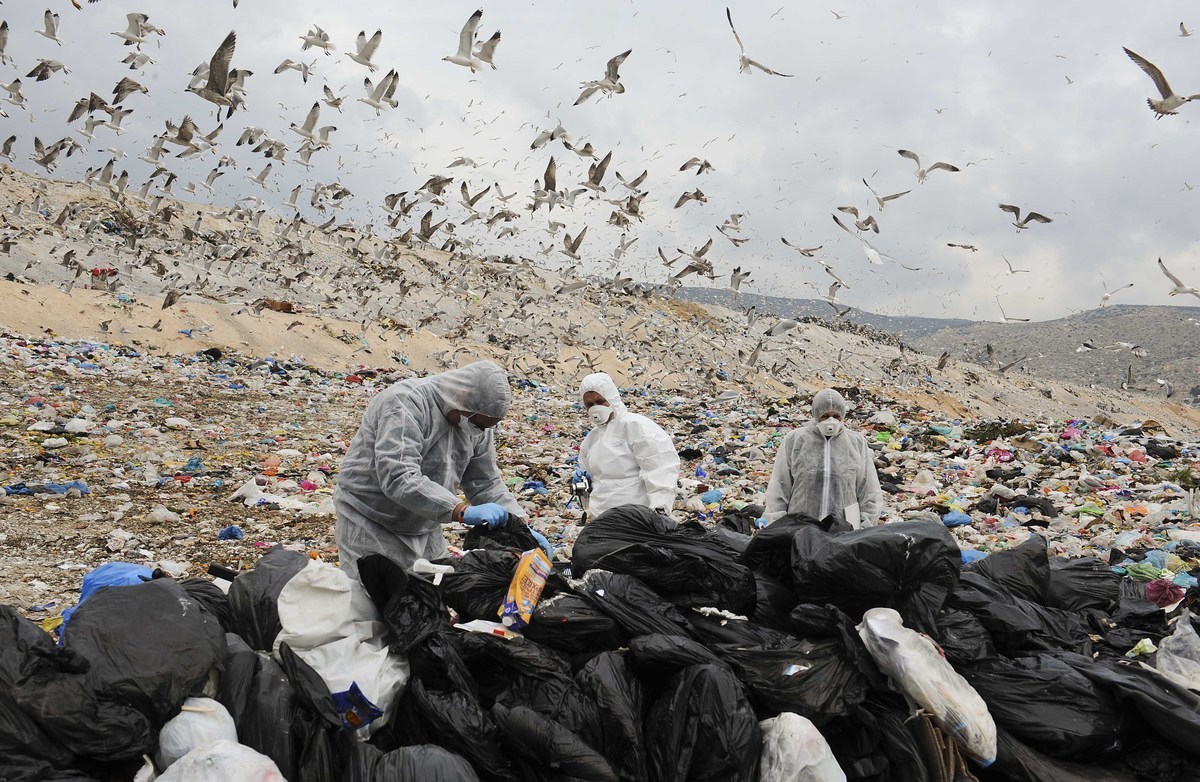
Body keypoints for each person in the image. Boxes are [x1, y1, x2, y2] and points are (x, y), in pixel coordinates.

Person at [335, 361, 548, 578]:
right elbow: (399, 475)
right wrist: (460, 511)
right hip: (371, 521)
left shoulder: (477, 425)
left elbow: (485, 482)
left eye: (486, 427)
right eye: (479, 424)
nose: (480, 431)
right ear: (462, 397)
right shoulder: (407, 402)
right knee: (369, 594)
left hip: (425, 525)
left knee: (434, 591)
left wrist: (520, 526)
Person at [763, 388, 883, 529]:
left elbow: (869, 491)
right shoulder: (795, 440)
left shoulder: (856, 443)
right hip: (800, 529)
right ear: (816, 414)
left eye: (836, 416)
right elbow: (779, 486)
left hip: (843, 530)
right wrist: (777, 526)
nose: (831, 420)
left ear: (843, 415)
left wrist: (864, 528)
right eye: (825, 415)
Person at [575, 372, 680, 518]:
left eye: (600, 401)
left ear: (611, 398)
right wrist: (583, 480)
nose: (595, 408)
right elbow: (590, 478)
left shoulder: (637, 427)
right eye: (590, 405)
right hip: (601, 518)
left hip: (637, 517)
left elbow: (660, 468)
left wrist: (660, 509)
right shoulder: (592, 439)